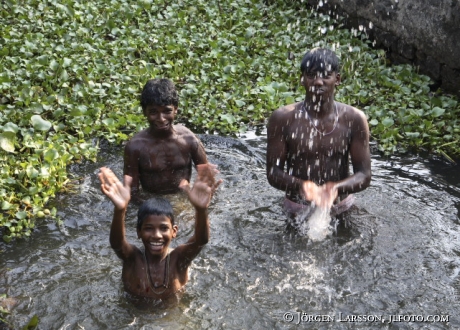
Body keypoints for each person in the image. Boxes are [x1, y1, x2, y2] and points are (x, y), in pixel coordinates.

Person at [266, 47, 371, 228]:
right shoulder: (283, 118)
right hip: (296, 207)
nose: (318, 82)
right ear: (302, 80)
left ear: (337, 79)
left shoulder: (354, 119)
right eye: (311, 75)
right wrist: (302, 186)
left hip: (340, 207)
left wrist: (336, 189)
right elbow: (273, 173)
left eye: (325, 76)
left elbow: (364, 175)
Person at [98, 164, 222, 300]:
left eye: (163, 228)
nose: (156, 235)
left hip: (172, 317)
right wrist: (120, 210)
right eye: (148, 228)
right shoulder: (133, 259)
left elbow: (201, 241)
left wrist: (201, 210)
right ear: (138, 232)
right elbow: (117, 244)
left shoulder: (179, 259)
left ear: (174, 231)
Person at [124, 78, 208, 196]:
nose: (161, 118)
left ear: (176, 109)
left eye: (167, 111)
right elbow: (131, 190)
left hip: (182, 197)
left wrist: (195, 201)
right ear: (144, 112)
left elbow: (206, 177)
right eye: (153, 112)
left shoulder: (189, 139)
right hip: (152, 200)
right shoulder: (135, 147)